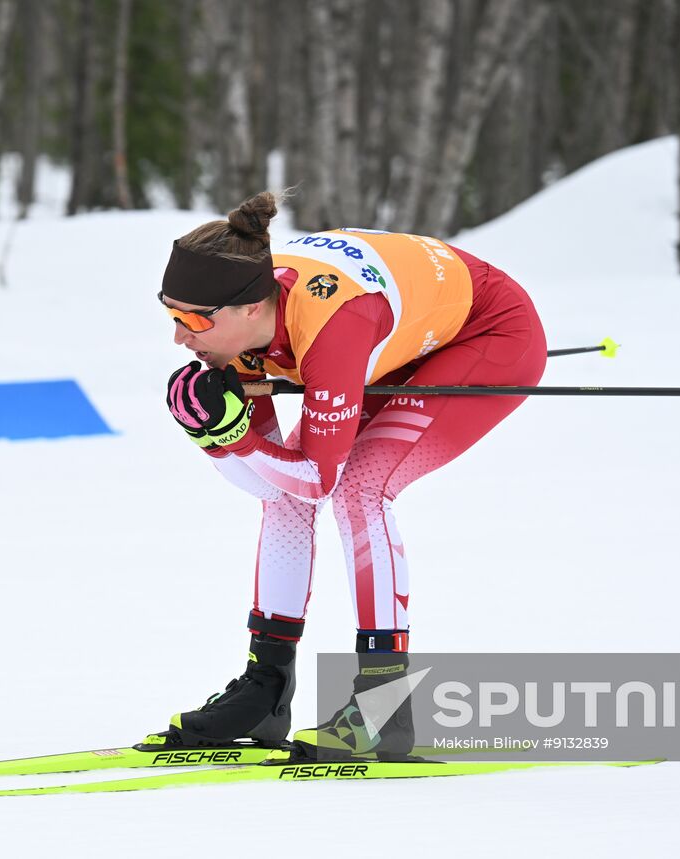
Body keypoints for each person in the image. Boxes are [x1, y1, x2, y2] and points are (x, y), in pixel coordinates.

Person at [154, 190, 547, 760]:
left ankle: (385, 705)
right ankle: (265, 690)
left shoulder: (332, 324)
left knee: (362, 487)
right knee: (287, 498)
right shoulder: (235, 331)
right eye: (169, 315)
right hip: (400, 336)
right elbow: (275, 486)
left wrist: (228, 438)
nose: (179, 338)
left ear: (249, 309)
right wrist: (217, 439)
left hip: (485, 335)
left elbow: (315, 477)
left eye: (191, 321)